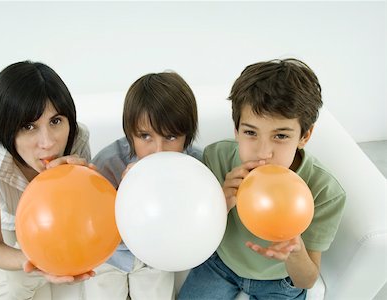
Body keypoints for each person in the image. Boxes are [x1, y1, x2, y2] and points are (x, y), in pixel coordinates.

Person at [178, 58, 346, 299]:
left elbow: (306, 280)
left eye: (280, 136)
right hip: (219, 266)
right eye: (250, 133)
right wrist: (220, 204)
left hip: (280, 282)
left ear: (304, 136)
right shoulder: (216, 158)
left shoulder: (325, 192)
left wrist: (295, 250)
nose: (263, 152)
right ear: (236, 130)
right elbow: (193, 235)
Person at [0, 61, 94, 299]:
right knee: (17, 287)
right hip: (11, 222)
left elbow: (80, 215)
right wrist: (38, 261)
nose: (48, 142)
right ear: (7, 130)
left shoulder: (77, 139)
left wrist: (74, 181)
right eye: (29, 126)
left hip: (58, 217)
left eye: (55, 121)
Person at [84, 71, 202, 299]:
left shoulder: (195, 167)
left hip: (156, 255)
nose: (158, 150)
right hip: (111, 255)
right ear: (130, 135)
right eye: (146, 136)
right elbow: (95, 225)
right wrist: (123, 194)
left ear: (186, 137)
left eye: (170, 137)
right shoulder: (108, 163)